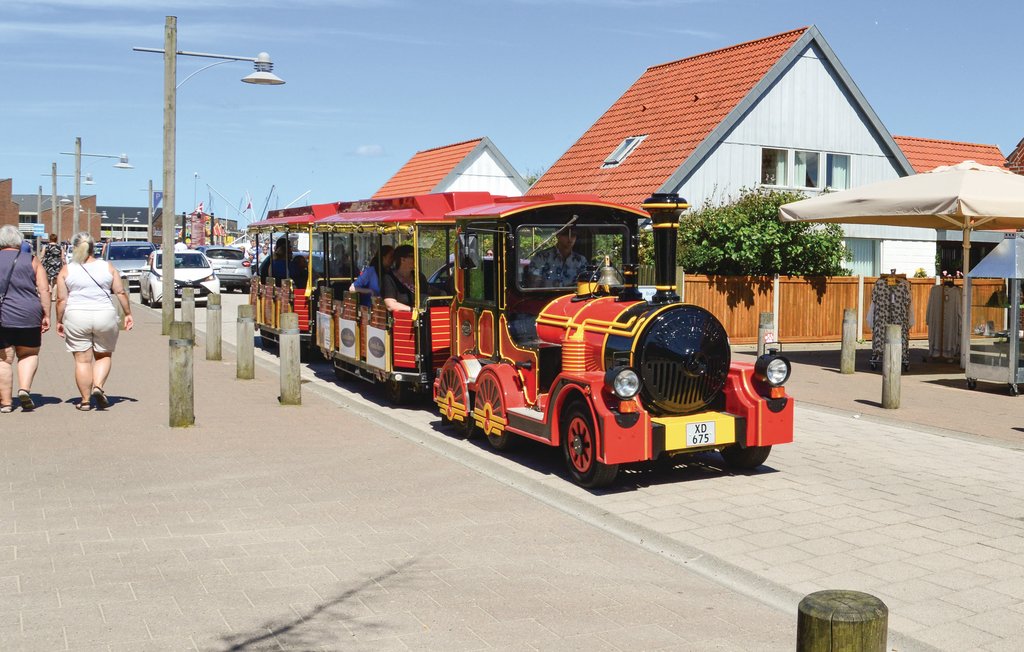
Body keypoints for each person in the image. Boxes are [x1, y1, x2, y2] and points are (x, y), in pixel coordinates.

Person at [55, 231, 134, 411]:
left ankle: (85, 401)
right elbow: (120, 292)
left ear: (75, 248)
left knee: (82, 361)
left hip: (76, 316)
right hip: (104, 315)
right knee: (104, 355)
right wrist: (128, 313)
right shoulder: (107, 267)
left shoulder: (67, 269)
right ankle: (98, 387)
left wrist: (58, 320)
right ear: (93, 248)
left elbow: (61, 299)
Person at [0, 225, 50, 413]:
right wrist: (47, 314)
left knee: (3, 360)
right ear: (19, 241)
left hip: (2, 316)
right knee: (28, 354)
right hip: (29, 313)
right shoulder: (31, 260)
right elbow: (44, 289)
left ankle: (6, 403)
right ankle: (24, 390)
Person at [382, 244, 430, 312]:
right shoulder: (389, 278)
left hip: (423, 318)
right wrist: (412, 310)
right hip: (401, 319)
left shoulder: (419, 277)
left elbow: (426, 295)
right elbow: (390, 304)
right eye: (413, 256)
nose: (416, 259)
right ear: (402, 259)